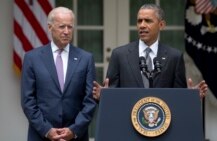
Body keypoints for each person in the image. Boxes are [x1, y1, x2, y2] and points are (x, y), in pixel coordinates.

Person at [93, 4, 207, 100]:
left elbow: (178, 98)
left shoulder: (174, 57)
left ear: (161, 25)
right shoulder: (119, 55)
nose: (142, 25)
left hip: (162, 122)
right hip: (127, 121)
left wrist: (191, 97)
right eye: (139, 21)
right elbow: (111, 96)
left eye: (148, 21)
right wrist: (102, 97)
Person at [21, 7, 96, 141]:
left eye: (70, 27)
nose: (66, 31)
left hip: (75, 137)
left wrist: (74, 130)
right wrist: (46, 130)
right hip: (41, 135)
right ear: (50, 28)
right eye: (62, 27)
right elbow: (28, 100)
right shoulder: (32, 58)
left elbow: (89, 101)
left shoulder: (86, 58)